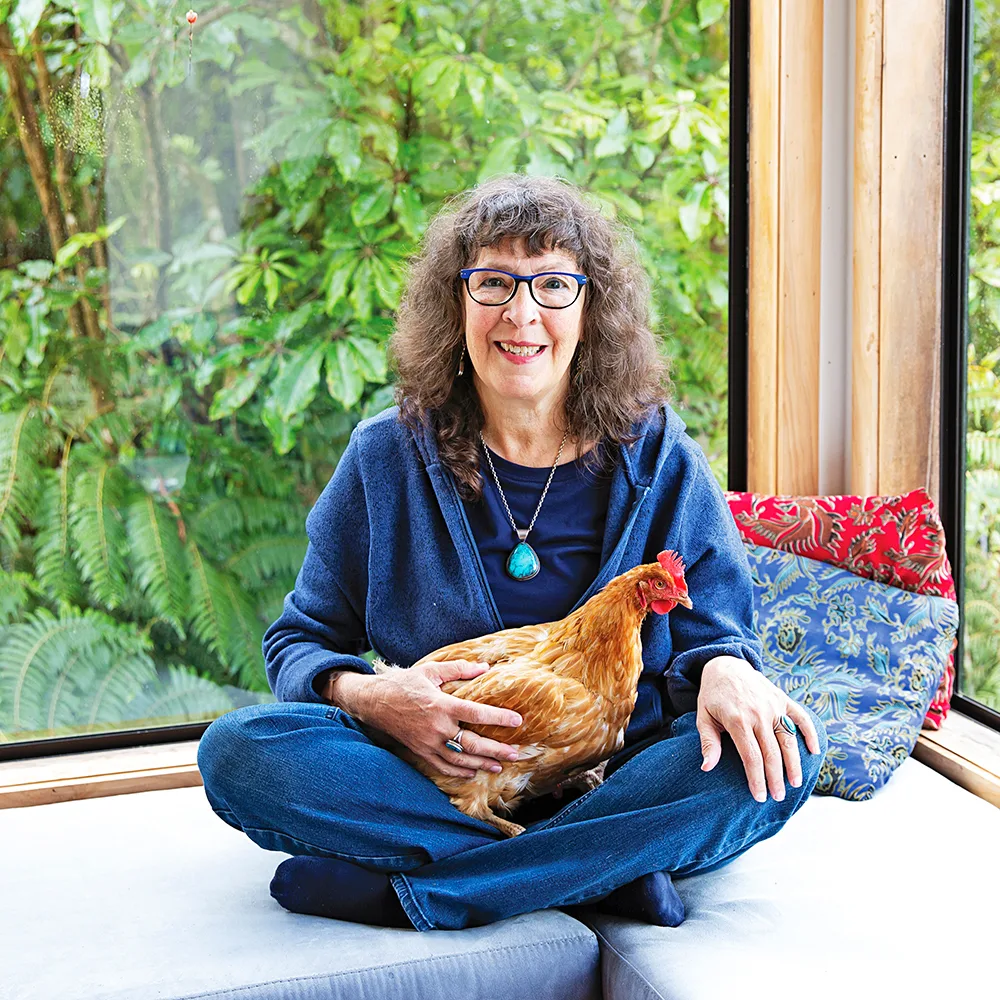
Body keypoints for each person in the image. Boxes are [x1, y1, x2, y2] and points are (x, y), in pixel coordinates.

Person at [196, 174, 829, 933]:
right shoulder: (385, 459)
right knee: (238, 753)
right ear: (456, 303)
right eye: (493, 282)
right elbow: (299, 641)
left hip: (614, 779)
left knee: (784, 752)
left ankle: (430, 890)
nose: (521, 313)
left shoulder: (660, 459)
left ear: (591, 311)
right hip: (435, 778)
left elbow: (717, 628)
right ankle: (600, 872)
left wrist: (727, 669)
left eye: (553, 284)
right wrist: (376, 698)